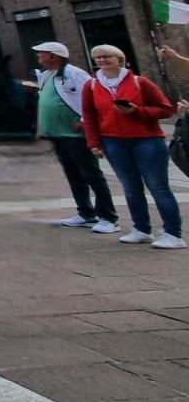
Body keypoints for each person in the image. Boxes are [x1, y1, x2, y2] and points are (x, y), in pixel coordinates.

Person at [81, 44, 182, 248]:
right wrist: (94, 143)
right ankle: (142, 229)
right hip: (113, 141)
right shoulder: (91, 85)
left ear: (120, 59)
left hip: (147, 140)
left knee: (158, 188)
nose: (102, 60)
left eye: (107, 56)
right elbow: (89, 116)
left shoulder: (140, 82)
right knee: (131, 188)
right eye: (98, 57)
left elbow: (165, 109)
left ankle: (173, 234)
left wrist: (137, 111)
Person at [31, 42, 118, 233]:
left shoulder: (75, 74)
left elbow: (93, 98)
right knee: (73, 174)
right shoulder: (45, 75)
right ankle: (86, 212)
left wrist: (84, 120)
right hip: (57, 135)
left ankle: (108, 216)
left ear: (54, 56)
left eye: (41, 54)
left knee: (91, 174)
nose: (39, 57)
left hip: (76, 135)